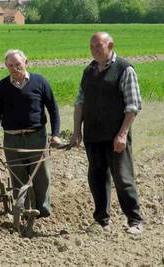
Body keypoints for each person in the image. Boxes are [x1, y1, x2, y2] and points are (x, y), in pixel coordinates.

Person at [70, 32, 143, 234]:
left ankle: (135, 221)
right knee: (97, 177)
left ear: (110, 45)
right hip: (93, 135)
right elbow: (80, 103)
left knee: (123, 178)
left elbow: (133, 105)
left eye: (99, 46)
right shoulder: (89, 71)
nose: (94, 49)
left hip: (115, 136)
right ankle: (101, 220)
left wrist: (122, 134)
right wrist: (77, 132)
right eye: (91, 46)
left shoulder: (124, 69)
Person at [0, 49, 61, 219]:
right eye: (10, 65)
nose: (15, 68)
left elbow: (53, 109)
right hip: (11, 139)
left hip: (37, 137)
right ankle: (23, 210)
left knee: (41, 175)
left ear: (26, 62)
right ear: (6, 66)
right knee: (17, 175)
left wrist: (55, 134)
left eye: (18, 64)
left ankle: (42, 210)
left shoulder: (39, 82)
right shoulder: (2, 86)